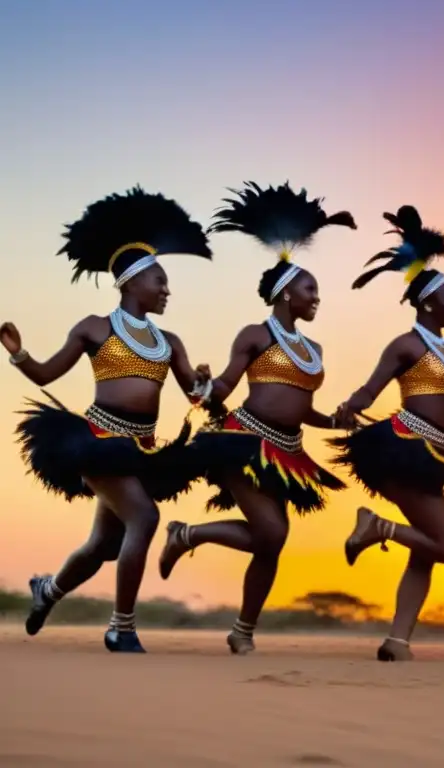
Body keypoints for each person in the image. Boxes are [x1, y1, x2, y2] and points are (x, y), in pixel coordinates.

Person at [1, 187, 213, 652]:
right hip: (98, 441)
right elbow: (46, 374)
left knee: (104, 546)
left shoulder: (170, 341)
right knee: (145, 517)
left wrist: (203, 383)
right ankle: (122, 626)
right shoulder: (94, 327)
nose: (166, 289)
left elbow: (196, 398)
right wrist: (19, 354)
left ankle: (48, 590)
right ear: (131, 281)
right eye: (158, 280)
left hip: (143, 450)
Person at [157, 181, 355, 655]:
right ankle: (187, 535)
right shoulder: (255, 334)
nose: (317, 298)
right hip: (243, 442)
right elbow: (225, 386)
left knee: (272, 545)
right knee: (270, 533)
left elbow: (303, 410)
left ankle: (242, 630)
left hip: (289, 454)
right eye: (311, 289)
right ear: (287, 294)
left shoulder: (314, 349)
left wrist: (339, 421)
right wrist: (204, 387)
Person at [330, 205, 444, 662]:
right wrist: (349, 407)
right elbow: (372, 387)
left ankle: (398, 641)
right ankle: (378, 526)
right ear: (428, 302)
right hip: (405, 451)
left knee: (428, 551)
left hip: (439, 455)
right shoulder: (407, 344)